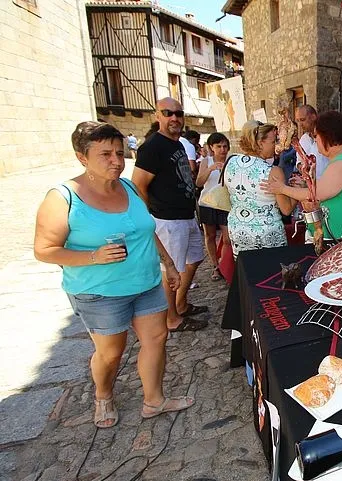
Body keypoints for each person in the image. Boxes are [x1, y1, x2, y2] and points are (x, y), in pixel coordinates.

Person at [33, 121, 194, 428]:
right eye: (105, 154)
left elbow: (145, 230)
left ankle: (154, 400)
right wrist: (93, 256)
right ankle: (103, 395)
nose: (117, 161)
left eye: (120, 153)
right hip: (99, 291)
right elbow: (44, 249)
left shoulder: (130, 188)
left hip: (146, 282)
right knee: (111, 352)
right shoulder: (64, 197)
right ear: (82, 157)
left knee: (156, 338)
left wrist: (169, 263)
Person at [132, 97, 208, 332]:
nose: (174, 118)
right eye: (168, 113)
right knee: (170, 271)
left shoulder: (177, 144)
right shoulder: (152, 147)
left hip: (186, 216)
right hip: (167, 219)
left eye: (178, 113)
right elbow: (138, 185)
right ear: (157, 116)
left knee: (194, 259)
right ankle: (171, 318)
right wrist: (149, 218)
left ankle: (180, 304)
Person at [263, 111, 342, 240]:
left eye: (317, 135)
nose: (316, 140)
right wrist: (306, 184)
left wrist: (282, 189)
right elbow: (329, 187)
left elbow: (316, 194)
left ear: (327, 136)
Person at [224, 120, 295, 255]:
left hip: (238, 230)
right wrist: (297, 190)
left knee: (246, 266)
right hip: (267, 234)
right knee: (272, 268)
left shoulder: (231, 162)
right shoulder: (273, 171)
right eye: (273, 141)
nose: (276, 145)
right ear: (260, 143)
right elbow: (286, 209)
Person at [197, 132, 231, 281]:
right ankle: (215, 266)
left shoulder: (231, 161)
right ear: (212, 147)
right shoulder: (206, 161)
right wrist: (210, 169)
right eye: (219, 146)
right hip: (207, 202)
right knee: (210, 235)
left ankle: (224, 264)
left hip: (225, 203)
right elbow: (199, 182)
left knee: (227, 238)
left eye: (225, 146)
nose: (222, 150)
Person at [295, 105, 329, 179]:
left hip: (330, 181)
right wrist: (303, 168)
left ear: (313, 117)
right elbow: (299, 161)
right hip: (311, 183)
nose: (300, 124)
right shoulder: (303, 139)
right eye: (298, 121)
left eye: (303, 120)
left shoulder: (329, 134)